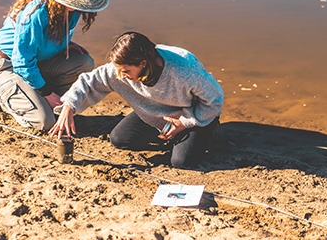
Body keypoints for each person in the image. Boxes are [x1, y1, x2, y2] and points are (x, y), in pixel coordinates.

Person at [49, 32, 224, 169]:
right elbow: (89, 82)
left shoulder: (184, 70)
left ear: (143, 63)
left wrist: (185, 122)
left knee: (181, 162)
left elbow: (215, 99)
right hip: (155, 114)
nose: (120, 76)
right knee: (120, 140)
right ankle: (170, 138)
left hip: (190, 116)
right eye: (119, 70)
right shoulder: (121, 67)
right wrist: (69, 107)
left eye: (125, 71)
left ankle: (209, 131)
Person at [0, 0, 109, 130]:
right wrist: (49, 94)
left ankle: (32, 96)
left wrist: (63, 44)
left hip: (36, 61)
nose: (76, 3)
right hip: (10, 65)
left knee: (84, 62)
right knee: (45, 122)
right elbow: (22, 63)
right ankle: (1, 96)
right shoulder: (35, 14)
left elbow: (48, 35)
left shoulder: (73, 9)